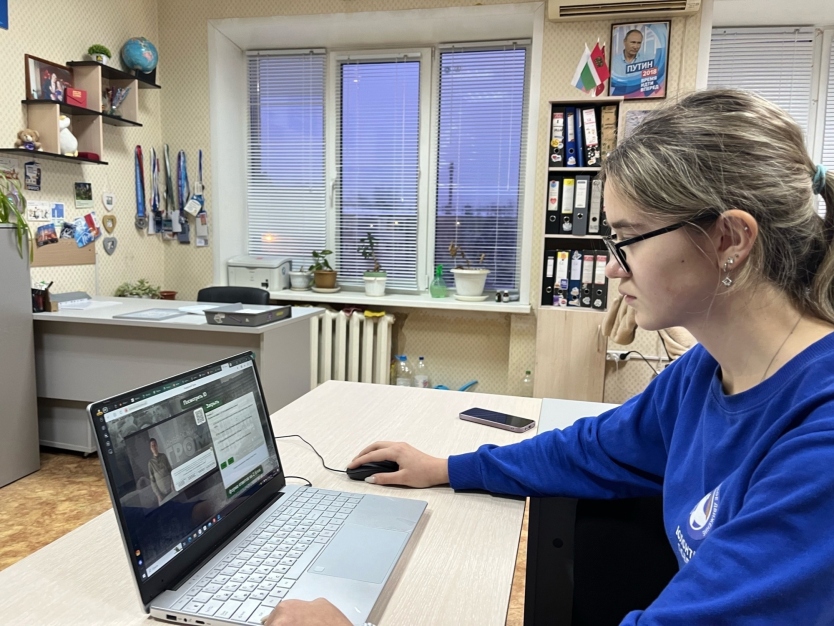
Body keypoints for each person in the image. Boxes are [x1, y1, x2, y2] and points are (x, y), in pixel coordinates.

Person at [264, 88, 834, 624]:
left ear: (730, 240)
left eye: (627, 239)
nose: (611, 268)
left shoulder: (819, 444)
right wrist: (448, 468)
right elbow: (594, 449)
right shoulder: (706, 371)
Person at [147, 437, 174, 505]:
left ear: (157, 446)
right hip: (161, 495)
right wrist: (158, 495)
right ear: (150, 448)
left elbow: (171, 471)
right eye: (152, 446)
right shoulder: (150, 463)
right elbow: (152, 481)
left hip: (171, 489)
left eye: (155, 445)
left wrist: (172, 484)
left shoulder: (163, 456)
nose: (154, 447)